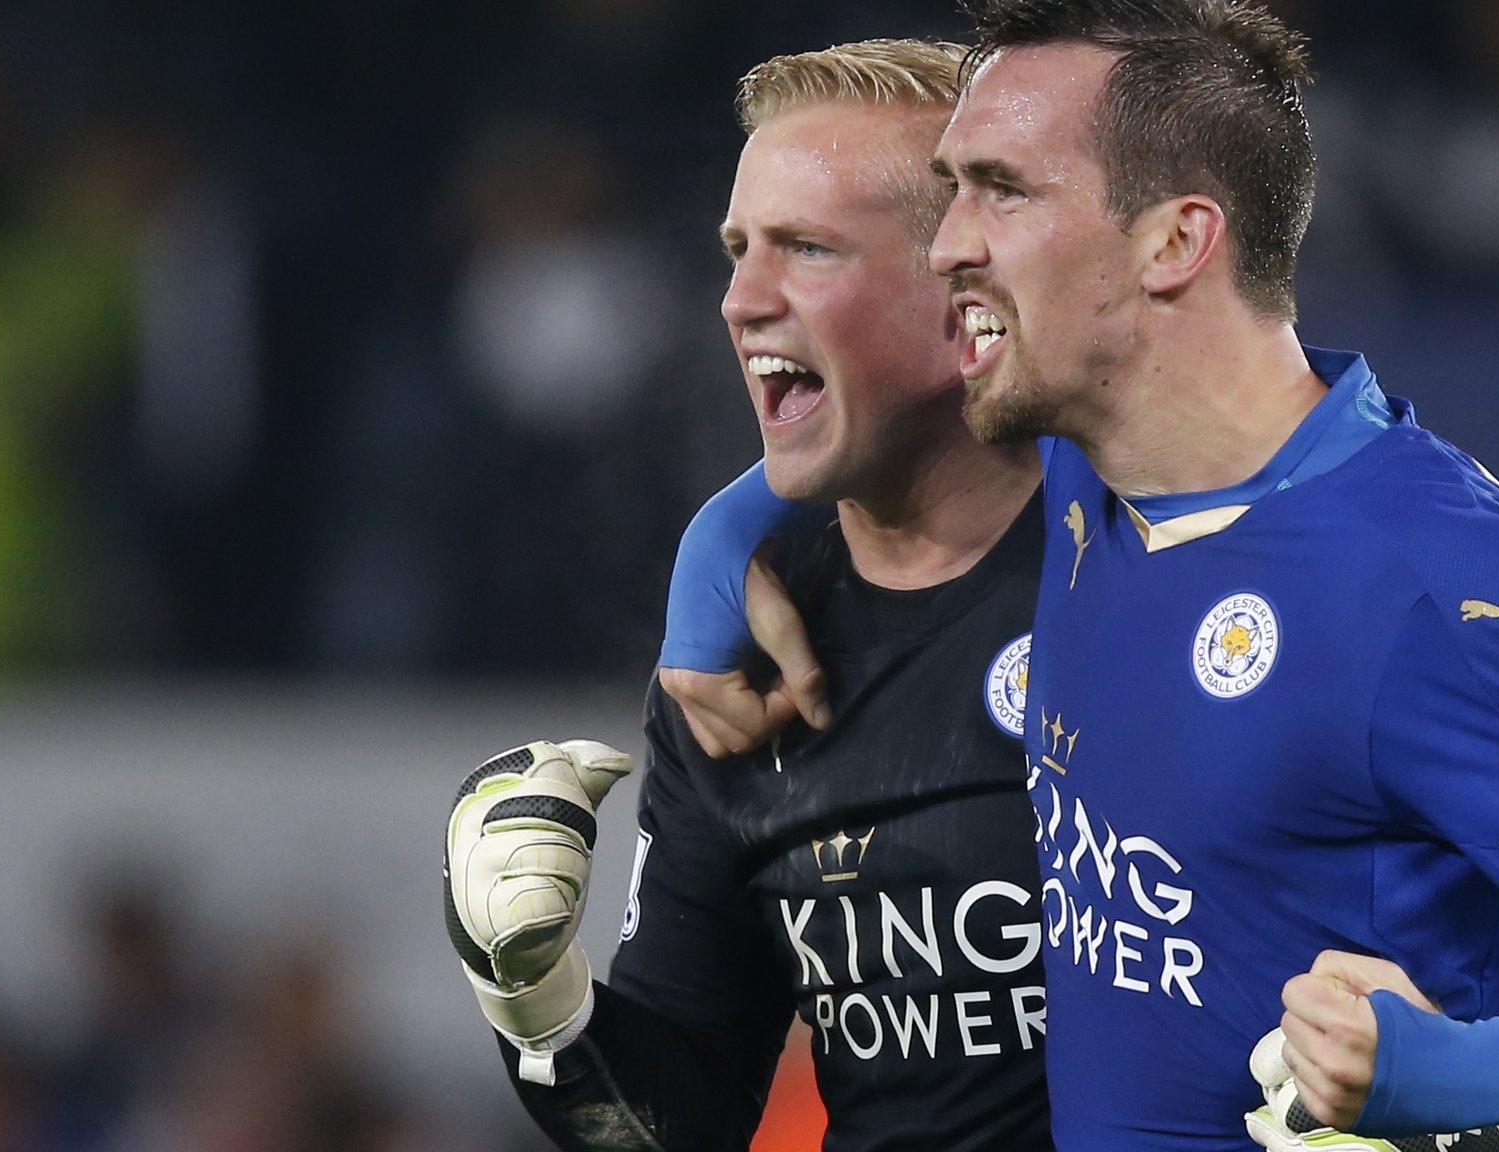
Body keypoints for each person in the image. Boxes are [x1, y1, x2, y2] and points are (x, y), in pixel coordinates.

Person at [661, 2, 1499, 1151]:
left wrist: (1447, 1073)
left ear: (1173, 241)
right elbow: (856, 435)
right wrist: (713, 562)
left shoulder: (1430, 588)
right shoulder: (1079, 459)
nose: (950, 241)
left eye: (1001, 190)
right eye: (953, 186)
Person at [443, 41, 1056, 1152]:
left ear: (966, 288)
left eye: (805, 250)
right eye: (736, 253)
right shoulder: (731, 668)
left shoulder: (1153, 568)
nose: (739, 301)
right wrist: (536, 999)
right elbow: (670, 1125)